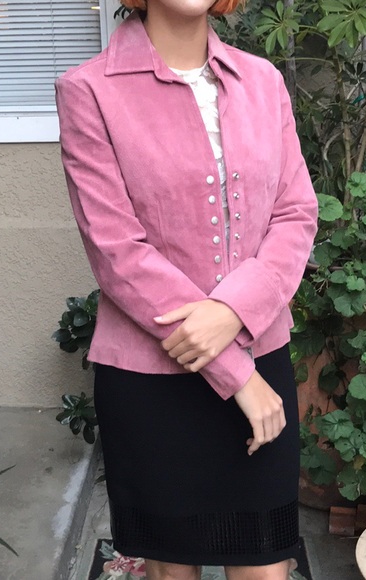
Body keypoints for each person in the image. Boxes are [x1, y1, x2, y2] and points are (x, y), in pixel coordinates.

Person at [54, 1, 318, 578]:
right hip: (154, 380)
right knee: (172, 570)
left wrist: (233, 311)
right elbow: (116, 249)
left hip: (261, 355)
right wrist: (236, 374)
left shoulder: (263, 81)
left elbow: (296, 212)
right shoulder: (88, 90)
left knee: (266, 566)